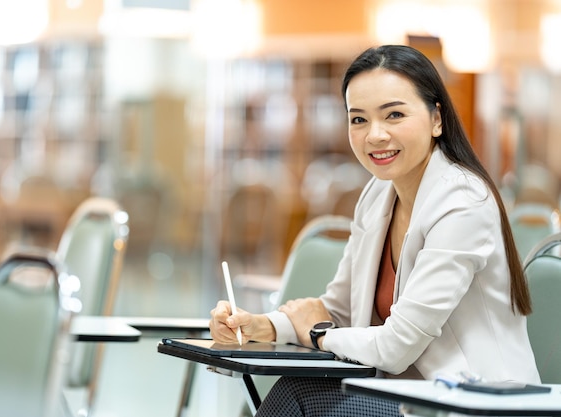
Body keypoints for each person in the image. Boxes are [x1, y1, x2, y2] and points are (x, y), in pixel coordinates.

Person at [209, 44, 540, 417]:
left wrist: (316, 334)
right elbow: (338, 310)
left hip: (467, 403)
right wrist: (260, 326)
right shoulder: (378, 194)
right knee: (301, 389)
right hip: (406, 397)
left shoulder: (464, 201)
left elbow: (397, 344)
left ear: (437, 119)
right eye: (358, 119)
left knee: (302, 394)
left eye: (394, 114)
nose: (374, 135)